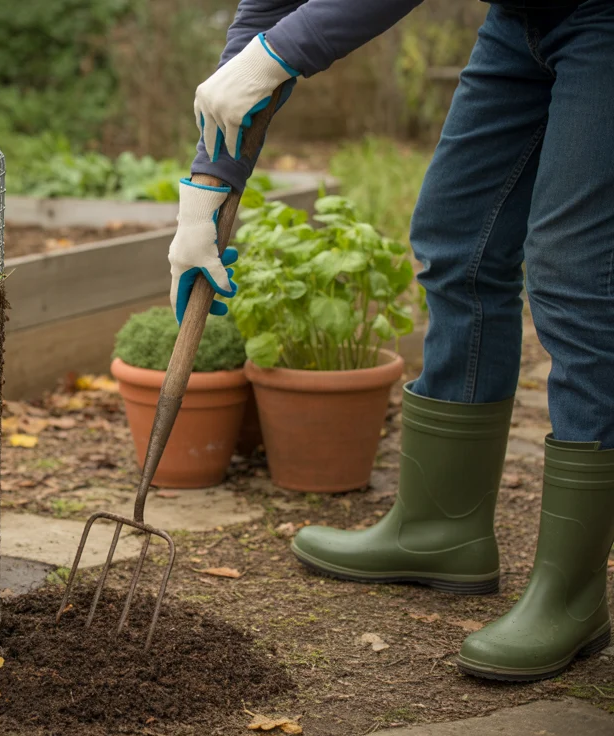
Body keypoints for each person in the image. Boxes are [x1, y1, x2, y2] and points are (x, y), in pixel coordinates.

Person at [170, 0, 614, 682]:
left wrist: (278, 53)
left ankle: (572, 595)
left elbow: (277, 43)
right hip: (522, 16)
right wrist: (206, 186)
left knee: (574, 274)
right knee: (457, 240)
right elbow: (269, 10)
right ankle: (442, 529)